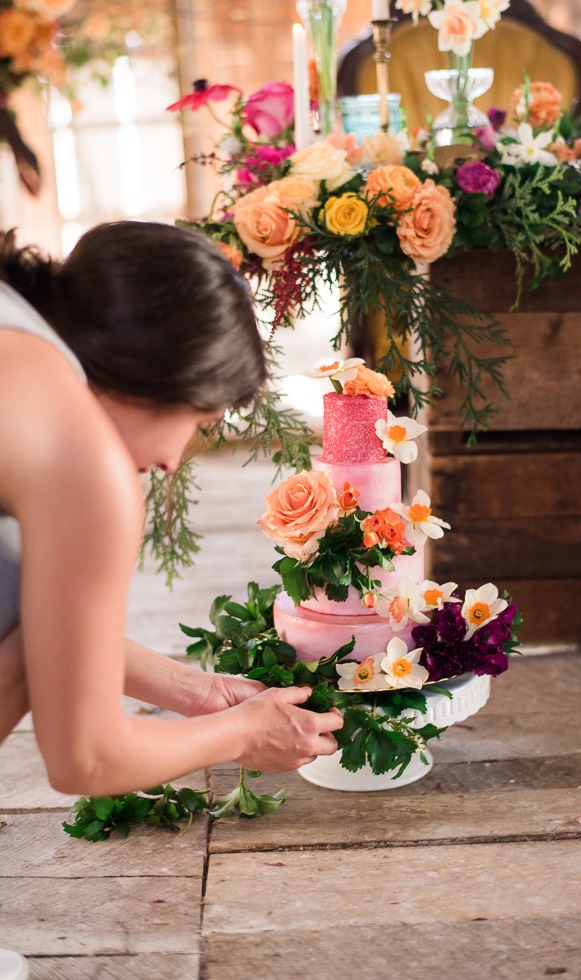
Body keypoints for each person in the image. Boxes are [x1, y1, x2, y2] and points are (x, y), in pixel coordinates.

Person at [0, 220, 342, 795]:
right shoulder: (84, 456)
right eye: (199, 424)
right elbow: (87, 757)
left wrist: (198, 693)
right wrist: (241, 734)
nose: (172, 462)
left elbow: (59, 628)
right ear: (160, 375)